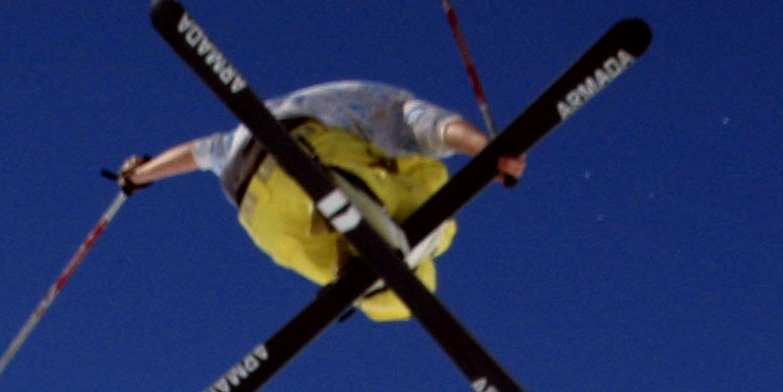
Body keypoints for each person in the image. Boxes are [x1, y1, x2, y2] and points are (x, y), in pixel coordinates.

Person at [113, 82, 521, 321]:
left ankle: (373, 274)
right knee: (433, 182)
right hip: (308, 154)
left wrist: (140, 175)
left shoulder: (252, 123)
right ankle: (384, 244)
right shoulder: (381, 104)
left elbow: (200, 153)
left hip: (264, 217)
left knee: (399, 287)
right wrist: (487, 149)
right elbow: (434, 126)